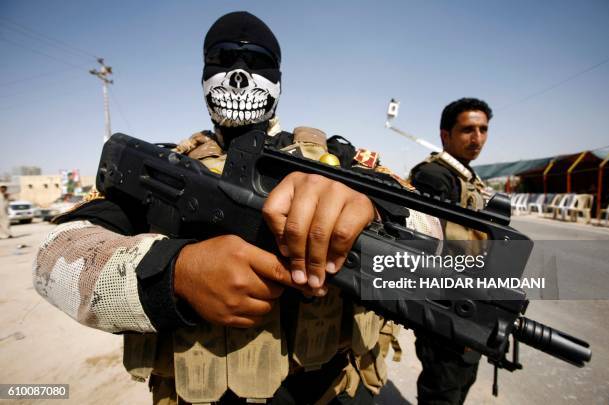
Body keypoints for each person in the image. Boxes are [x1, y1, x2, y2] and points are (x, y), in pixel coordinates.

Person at [34, 12, 441, 404]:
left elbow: (433, 231)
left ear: (278, 79)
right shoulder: (162, 173)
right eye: (223, 60)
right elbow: (53, 259)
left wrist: (367, 208)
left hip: (332, 392)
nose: (240, 74)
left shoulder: (339, 161)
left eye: (259, 62)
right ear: (203, 75)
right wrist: (176, 273)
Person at [409, 97, 492, 405]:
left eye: (483, 129)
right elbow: (431, 248)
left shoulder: (467, 178)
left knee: (461, 381)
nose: (478, 138)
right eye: (468, 129)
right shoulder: (434, 176)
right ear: (446, 135)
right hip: (446, 307)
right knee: (443, 388)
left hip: (469, 302)